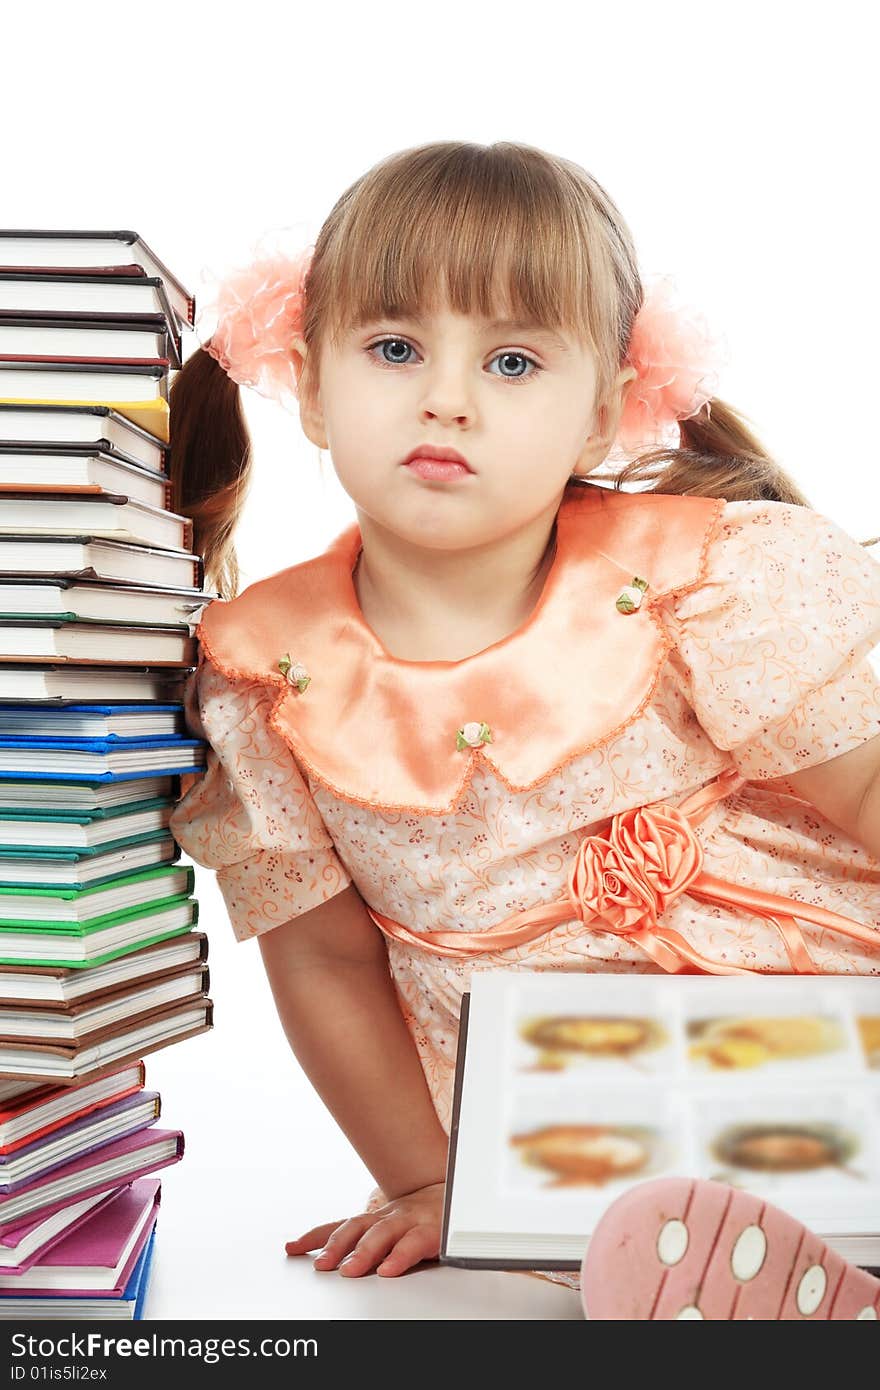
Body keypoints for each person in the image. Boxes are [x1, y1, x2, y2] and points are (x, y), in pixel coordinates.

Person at [167, 140, 880, 1315]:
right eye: (395, 349)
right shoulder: (266, 672)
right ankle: (734, 1270)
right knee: (599, 1226)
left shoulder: (695, 585)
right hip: (563, 1122)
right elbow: (325, 958)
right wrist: (426, 1180)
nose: (445, 396)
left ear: (603, 413)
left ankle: (803, 1248)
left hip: (811, 1026)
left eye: (510, 360)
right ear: (308, 382)